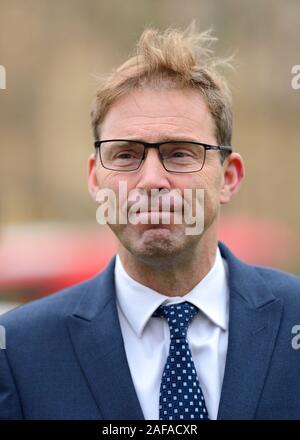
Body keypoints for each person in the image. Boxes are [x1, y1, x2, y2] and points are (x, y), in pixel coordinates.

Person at [0, 24, 299, 421]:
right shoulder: (20, 351)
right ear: (94, 178)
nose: (153, 180)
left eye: (180, 153)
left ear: (229, 176)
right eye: (126, 155)